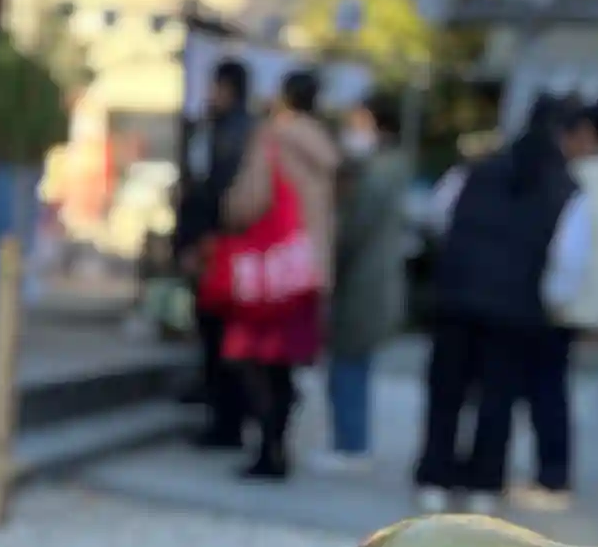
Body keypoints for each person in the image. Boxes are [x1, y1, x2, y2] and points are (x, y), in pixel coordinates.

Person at [414, 97, 578, 514]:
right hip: (516, 308)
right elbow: (568, 259)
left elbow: (436, 215)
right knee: (498, 399)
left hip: (457, 296)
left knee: (447, 392)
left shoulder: (475, 170)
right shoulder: (566, 188)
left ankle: (435, 475)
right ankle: (484, 482)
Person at [218, 69, 341, 480]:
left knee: (253, 359)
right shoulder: (326, 148)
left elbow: (250, 200)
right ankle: (280, 443)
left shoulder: (272, 137)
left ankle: (268, 447)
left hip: (271, 273)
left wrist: (228, 210)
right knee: (285, 363)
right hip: (308, 272)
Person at [525, 102, 598, 508]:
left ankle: (552, 478)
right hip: (581, 298)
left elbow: (569, 250)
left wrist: (553, 293)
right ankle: (552, 475)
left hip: (563, 297)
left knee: (546, 386)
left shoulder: (583, 180)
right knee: (551, 384)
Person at [312, 92, 412, 473]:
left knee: (348, 363)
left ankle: (350, 444)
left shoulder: (375, 174)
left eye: (358, 122)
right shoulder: (389, 168)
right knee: (353, 362)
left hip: (361, 282)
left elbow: (353, 230)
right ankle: (351, 440)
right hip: (372, 280)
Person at [174, 60, 258, 449]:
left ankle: (227, 420)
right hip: (219, 246)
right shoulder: (223, 129)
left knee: (220, 336)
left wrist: (199, 240)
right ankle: (225, 414)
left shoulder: (230, 134)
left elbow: (213, 194)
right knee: (217, 336)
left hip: (217, 248)